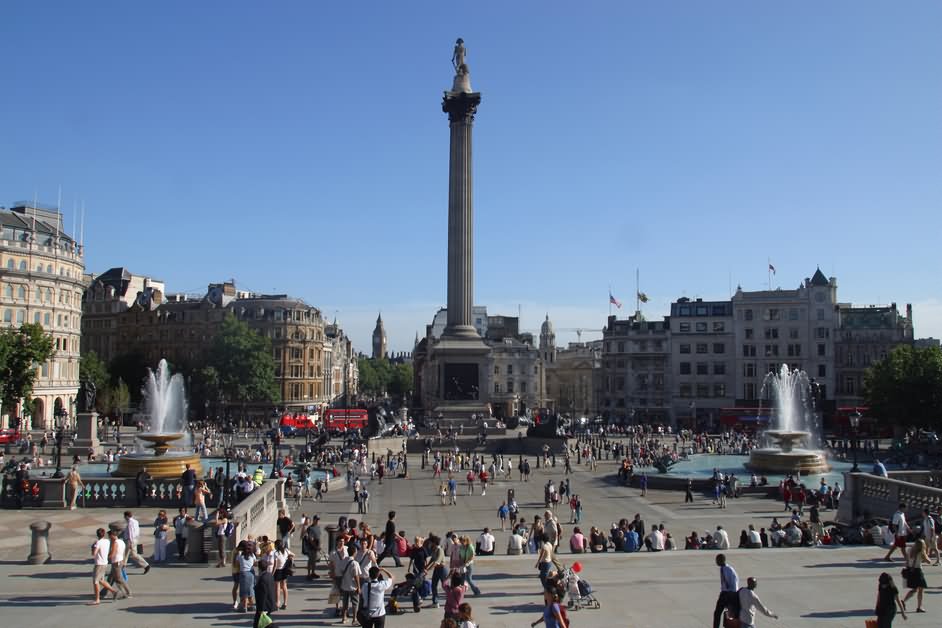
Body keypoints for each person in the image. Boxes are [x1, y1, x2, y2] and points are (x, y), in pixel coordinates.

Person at [90, 527, 118, 605]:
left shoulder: (98, 543)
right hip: (105, 563)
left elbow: (94, 554)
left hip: (99, 564)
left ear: (97, 535)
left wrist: (93, 547)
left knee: (95, 581)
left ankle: (97, 599)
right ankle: (113, 591)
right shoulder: (107, 541)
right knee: (101, 580)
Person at [901, 537, 929, 613]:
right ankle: (919, 607)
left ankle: (903, 601)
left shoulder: (909, 549)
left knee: (914, 589)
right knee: (920, 590)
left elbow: (907, 560)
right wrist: (926, 553)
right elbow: (928, 561)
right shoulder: (921, 552)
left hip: (910, 571)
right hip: (918, 571)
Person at [712, 553, 739, 628]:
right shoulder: (722, 568)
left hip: (729, 594)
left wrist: (732, 594)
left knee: (731, 614)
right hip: (723, 594)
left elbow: (735, 581)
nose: (716, 562)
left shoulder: (729, 569)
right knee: (717, 612)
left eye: (717, 560)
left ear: (721, 560)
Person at [107, 528, 132, 599]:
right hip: (120, 561)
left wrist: (106, 558)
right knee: (114, 578)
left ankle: (128, 592)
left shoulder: (115, 543)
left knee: (119, 579)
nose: (109, 538)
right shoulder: (121, 542)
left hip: (116, 562)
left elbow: (113, 553)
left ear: (112, 535)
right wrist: (124, 561)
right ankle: (122, 592)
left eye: (109, 536)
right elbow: (123, 552)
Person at [253, 558, 277, 628]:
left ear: (259, 568)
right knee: (266, 623)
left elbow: (263, 595)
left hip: (264, 606)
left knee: (259, 624)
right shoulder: (270, 575)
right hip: (269, 604)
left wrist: (261, 609)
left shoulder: (262, 578)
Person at [236, 540, 257, 612]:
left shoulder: (240, 555)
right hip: (251, 574)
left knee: (244, 590)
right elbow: (255, 563)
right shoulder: (252, 555)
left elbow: (237, 564)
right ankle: (251, 605)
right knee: (250, 589)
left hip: (243, 573)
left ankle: (244, 606)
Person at [302, 514, 322, 579]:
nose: (317, 521)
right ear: (313, 520)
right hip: (311, 547)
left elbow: (319, 537)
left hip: (316, 547)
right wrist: (316, 546)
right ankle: (308, 574)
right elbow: (311, 539)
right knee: (310, 561)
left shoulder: (318, 527)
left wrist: (320, 546)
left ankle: (313, 573)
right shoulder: (310, 528)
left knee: (314, 561)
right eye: (316, 520)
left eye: (318, 520)